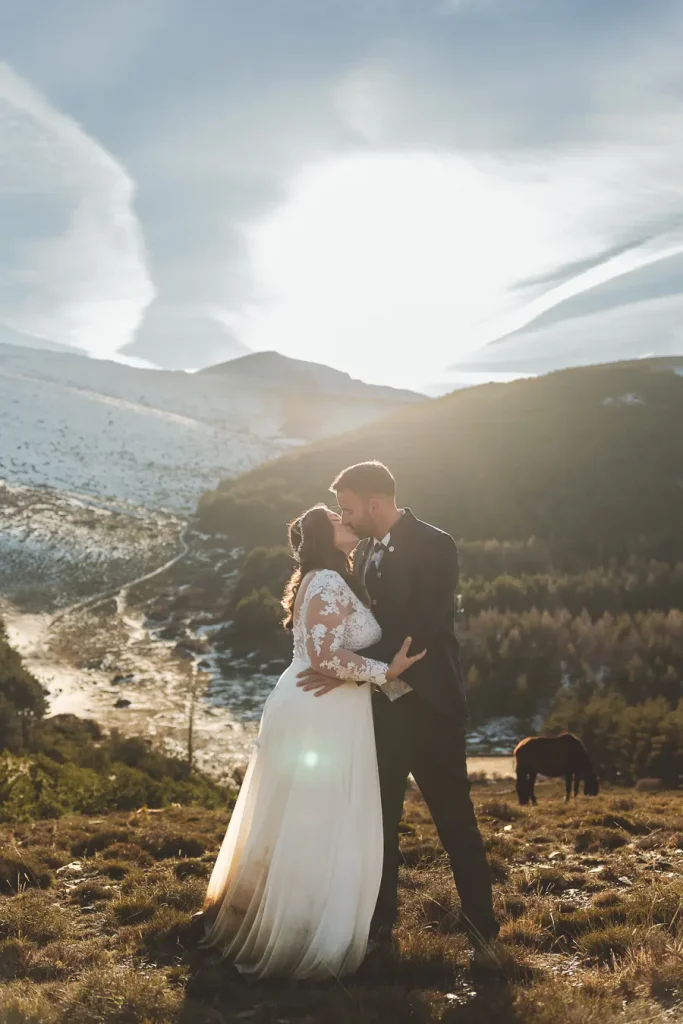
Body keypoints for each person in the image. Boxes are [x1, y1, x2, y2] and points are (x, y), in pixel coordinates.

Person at [198, 504, 425, 979]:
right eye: (341, 521)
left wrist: (358, 675)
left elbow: (327, 655)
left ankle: (304, 916)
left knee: (308, 814)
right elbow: (323, 657)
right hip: (320, 709)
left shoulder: (331, 577)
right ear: (326, 536)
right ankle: (305, 932)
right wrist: (387, 672)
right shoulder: (324, 581)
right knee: (317, 816)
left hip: (325, 702)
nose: (350, 523)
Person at [297, 462, 500, 962]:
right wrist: (349, 668)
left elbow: (424, 626)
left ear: (374, 503)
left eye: (347, 508)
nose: (344, 516)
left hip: (431, 707)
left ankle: (483, 934)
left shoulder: (436, 544)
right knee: (378, 825)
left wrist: (355, 668)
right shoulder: (362, 549)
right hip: (379, 711)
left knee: (456, 824)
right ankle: (379, 930)